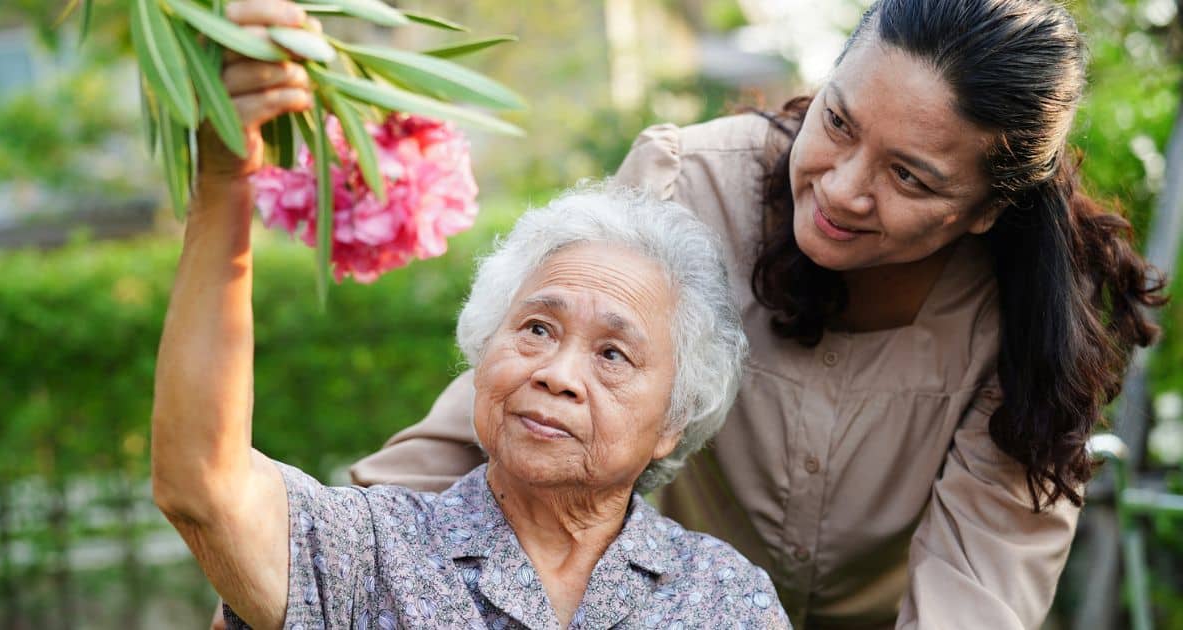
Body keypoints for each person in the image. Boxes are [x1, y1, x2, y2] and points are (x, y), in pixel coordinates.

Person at [344, 1, 1169, 628]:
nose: (843, 189)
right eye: (837, 122)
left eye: (909, 178)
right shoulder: (687, 187)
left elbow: (978, 596)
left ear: (987, 209)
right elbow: (506, 408)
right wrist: (319, 565)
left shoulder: (1027, 324)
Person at [152, 115, 795, 630]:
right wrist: (224, 179)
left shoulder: (723, 600)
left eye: (612, 355)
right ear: (485, 352)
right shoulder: (369, 552)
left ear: (671, 425)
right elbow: (203, 486)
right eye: (537, 329)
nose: (557, 373)